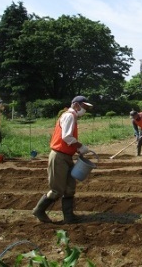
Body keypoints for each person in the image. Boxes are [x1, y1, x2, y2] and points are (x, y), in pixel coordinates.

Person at [33, 95, 93, 224]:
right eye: (84, 106)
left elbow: (68, 139)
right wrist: (80, 146)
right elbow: (66, 137)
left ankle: (69, 217)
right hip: (59, 156)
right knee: (57, 190)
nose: (85, 110)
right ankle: (39, 210)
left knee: (69, 188)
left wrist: (77, 149)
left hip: (66, 156)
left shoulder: (73, 117)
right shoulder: (69, 116)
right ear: (76, 105)